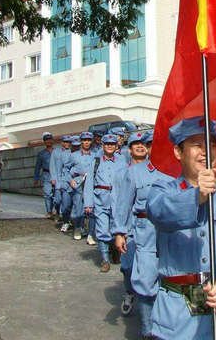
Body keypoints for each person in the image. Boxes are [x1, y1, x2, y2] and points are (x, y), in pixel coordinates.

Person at [146, 117, 216, 339]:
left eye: (211, 144)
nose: (206, 151)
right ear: (178, 152)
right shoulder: (162, 189)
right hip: (178, 312)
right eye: (196, 144)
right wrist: (198, 196)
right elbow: (160, 213)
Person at [112, 131, 157, 335]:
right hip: (140, 230)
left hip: (166, 232)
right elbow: (121, 203)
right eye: (139, 144)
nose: (144, 147)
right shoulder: (130, 173)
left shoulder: (171, 171)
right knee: (133, 270)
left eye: (147, 143)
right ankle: (148, 330)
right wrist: (120, 231)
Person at [83, 134, 127, 272]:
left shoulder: (122, 161)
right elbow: (89, 182)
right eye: (107, 144)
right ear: (102, 145)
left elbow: (127, 181)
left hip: (117, 199)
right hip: (100, 199)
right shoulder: (95, 161)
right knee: (102, 230)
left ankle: (115, 251)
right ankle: (105, 259)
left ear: (116, 146)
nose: (109, 146)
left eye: (112, 144)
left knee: (116, 227)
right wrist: (88, 204)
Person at [67, 132, 96, 240]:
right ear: (81, 141)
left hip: (92, 183)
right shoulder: (74, 156)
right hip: (79, 182)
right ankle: (78, 227)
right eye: (84, 140)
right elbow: (65, 169)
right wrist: (70, 180)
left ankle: (90, 233)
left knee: (91, 207)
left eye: (88, 140)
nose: (86, 142)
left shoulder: (95, 155)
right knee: (78, 208)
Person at [50, 135, 71, 225]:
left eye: (69, 142)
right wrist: (53, 178)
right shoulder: (56, 151)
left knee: (67, 201)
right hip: (58, 179)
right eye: (65, 142)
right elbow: (52, 165)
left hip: (67, 180)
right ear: (62, 143)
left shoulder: (72, 152)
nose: (67, 144)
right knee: (57, 200)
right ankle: (57, 212)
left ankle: (67, 218)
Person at [34, 132, 55, 218]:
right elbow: (38, 166)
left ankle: (55, 209)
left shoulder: (57, 151)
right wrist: (36, 178)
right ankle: (49, 211)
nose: (48, 141)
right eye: (46, 140)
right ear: (44, 142)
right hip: (46, 174)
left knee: (56, 194)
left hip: (56, 175)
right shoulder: (41, 154)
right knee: (47, 193)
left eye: (50, 139)